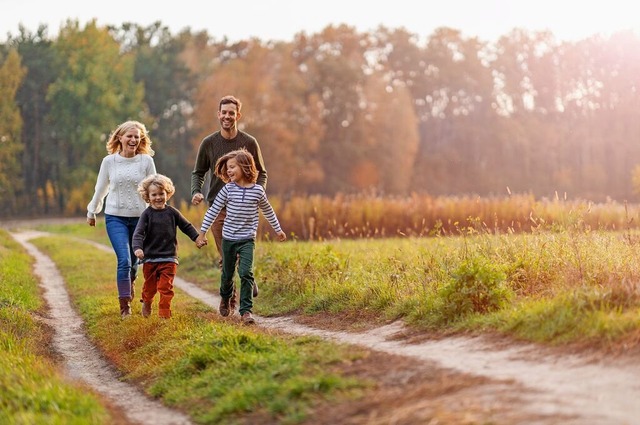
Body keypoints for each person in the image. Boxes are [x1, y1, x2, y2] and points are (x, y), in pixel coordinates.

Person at [191, 95, 266, 307]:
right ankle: (229, 299)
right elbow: (198, 172)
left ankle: (247, 278)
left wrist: (257, 194)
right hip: (218, 208)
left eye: (231, 113)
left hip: (243, 207)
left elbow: (261, 173)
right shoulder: (209, 143)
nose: (227, 116)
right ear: (218, 114)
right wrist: (196, 191)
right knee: (226, 256)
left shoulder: (249, 142)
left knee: (243, 253)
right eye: (223, 112)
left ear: (238, 115)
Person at [196, 149, 286, 324]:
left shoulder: (258, 191)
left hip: (247, 240)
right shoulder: (227, 190)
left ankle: (246, 311)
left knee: (246, 273)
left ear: (245, 167)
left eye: (232, 167)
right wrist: (202, 233)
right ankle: (225, 298)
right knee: (227, 275)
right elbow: (213, 211)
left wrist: (278, 229)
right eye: (227, 168)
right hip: (228, 239)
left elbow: (268, 210)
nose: (228, 171)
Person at [87, 120, 156, 319]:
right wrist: (92, 211)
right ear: (120, 137)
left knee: (134, 263)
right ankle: (124, 306)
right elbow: (101, 188)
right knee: (124, 260)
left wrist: (159, 214)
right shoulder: (109, 162)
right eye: (129, 136)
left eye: (137, 136)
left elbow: (155, 187)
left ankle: (131, 281)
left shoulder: (145, 161)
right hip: (115, 217)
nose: (133, 140)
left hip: (140, 220)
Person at [132, 174, 205, 319]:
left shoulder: (172, 213)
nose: (158, 197)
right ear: (147, 196)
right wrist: (137, 248)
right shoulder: (146, 215)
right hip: (150, 258)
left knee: (166, 288)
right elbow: (138, 233)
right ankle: (147, 301)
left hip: (169, 257)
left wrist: (197, 238)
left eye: (161, 194)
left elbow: (186, 226)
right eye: (154, 195)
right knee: (150, 287)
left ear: (168, 193)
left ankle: (164, 314)